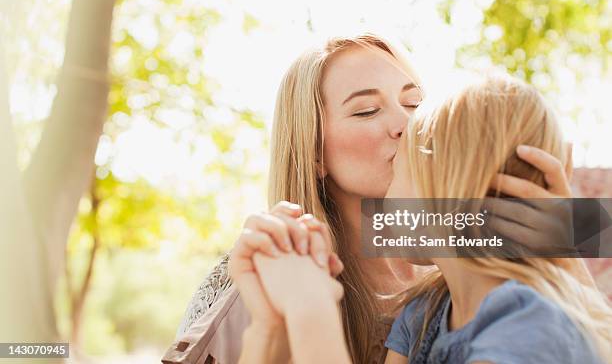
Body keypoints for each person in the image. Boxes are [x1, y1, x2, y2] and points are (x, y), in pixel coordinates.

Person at [162, 34, 594, 364]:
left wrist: (561, 245)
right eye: (367, 110)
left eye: (417, 104)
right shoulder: (256, 283)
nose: (406, 125)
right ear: (312, 152)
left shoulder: (499, 296)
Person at [236, 75, 612, 364]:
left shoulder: (531, 326)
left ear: (445, 182)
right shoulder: (425, 313)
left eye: (399, 172)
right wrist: (268, 331)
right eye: (367, 109)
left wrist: (310, 306)